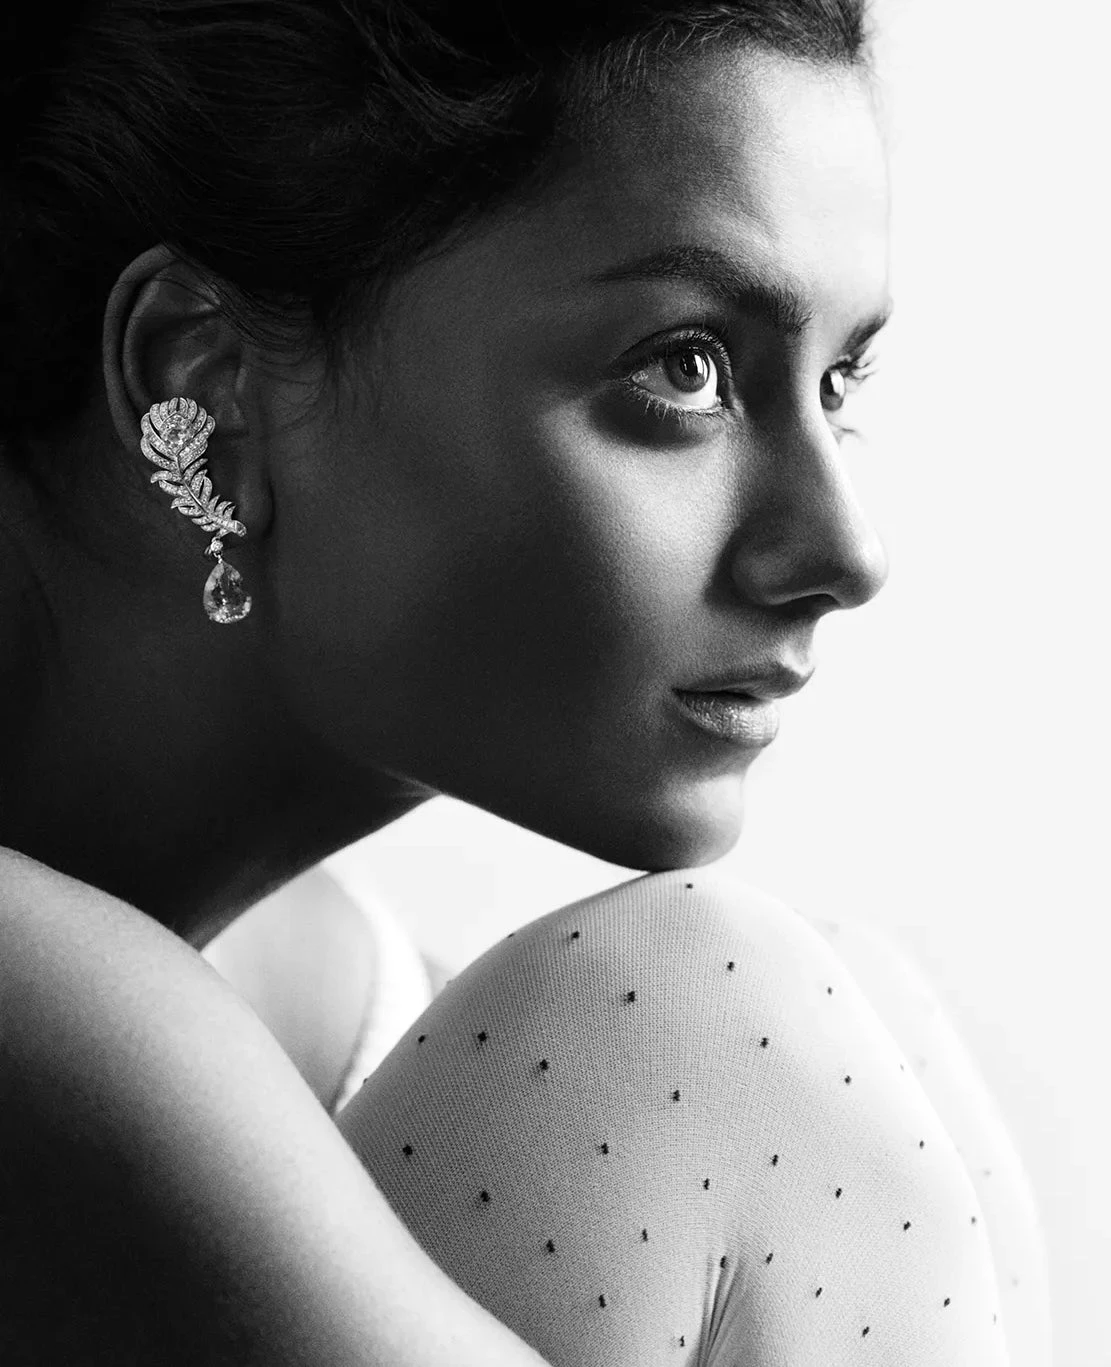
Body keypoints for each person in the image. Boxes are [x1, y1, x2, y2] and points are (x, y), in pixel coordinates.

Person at [0, 1, 1050, 1364]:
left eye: (839, 382)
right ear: (197, 386)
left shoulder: (331, 1001)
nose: (847, 553)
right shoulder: (57, 1021)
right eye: (687, 366)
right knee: (694, 1018)